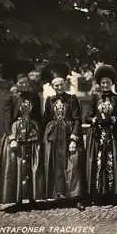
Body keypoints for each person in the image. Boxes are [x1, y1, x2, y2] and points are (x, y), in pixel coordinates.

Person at [0, 59, 45, 207]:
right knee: (18, 164)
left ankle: (33, 197)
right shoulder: (11, 98)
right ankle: (18, 198)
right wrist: (11, 137)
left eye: (26, 82)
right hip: (16, 133)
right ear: (16, 84)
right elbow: (6, 119)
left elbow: (38, 117)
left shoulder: (34, 96)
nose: (24, 85)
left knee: (33, 163)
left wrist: (40, 133)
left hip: (32, 133)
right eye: (21, 83)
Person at [41, 62, 86, 211]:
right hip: (53, 136)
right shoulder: (49, 101)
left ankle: (76, 197)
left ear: (65, 84)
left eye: (61, 84)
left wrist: (74, 137)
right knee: (56, 165)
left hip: (68, 134)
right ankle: (58, 196)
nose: (59, 87)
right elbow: (46, 120)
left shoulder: (72, 99)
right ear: (52, 87)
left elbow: (77, 119)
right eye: (56, 85)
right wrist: (46, 137)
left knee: (72, 165)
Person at [84, 64, 117, 205]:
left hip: (111, 134)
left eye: (108, 83)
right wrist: (93, 119)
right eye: (103, 83)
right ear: (100, 84)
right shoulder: (95, 97)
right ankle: (97, 194)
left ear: (112, 83)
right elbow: (87, 116)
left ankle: (111, 194)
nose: (105, 85)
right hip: (98, 134)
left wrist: (115, 119)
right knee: (98, 162)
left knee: (111, 162)